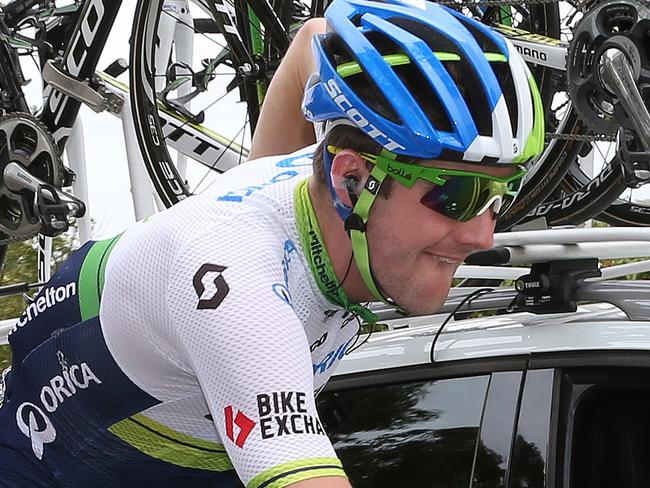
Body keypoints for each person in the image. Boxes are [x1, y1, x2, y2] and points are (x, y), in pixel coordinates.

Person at [0, 0, 543, 486]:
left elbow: (312, 36)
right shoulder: (242, 287)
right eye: (456, 196)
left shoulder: (316, 187)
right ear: (352, 180)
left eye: (501, 193)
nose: (482, 235)